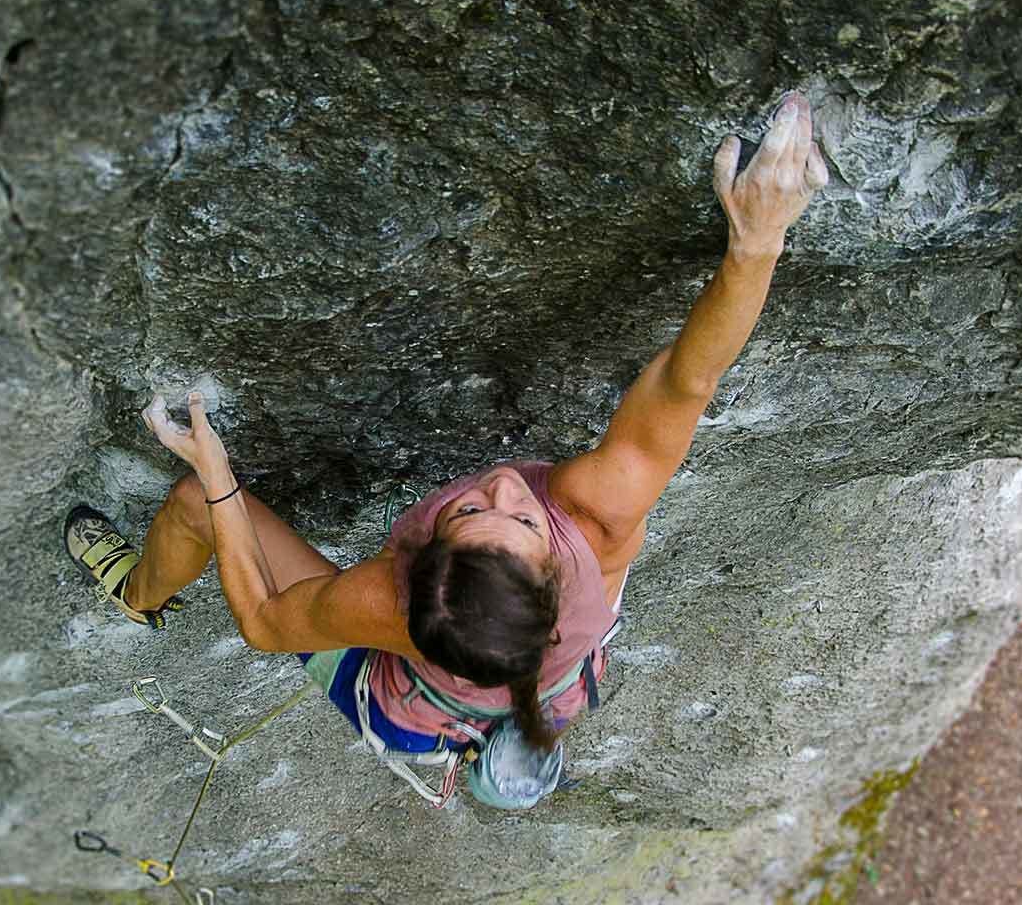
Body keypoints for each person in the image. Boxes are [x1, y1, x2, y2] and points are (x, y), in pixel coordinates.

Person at [66, 92, 828, 803]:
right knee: (515, 660)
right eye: (516, 519)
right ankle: (503, 733)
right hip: (550, 680)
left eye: (473, 513)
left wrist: (218, 478)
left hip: (415, 709)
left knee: (191, 505)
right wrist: (758, 242)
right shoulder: (598, 518)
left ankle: (139, 598)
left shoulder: (389, 603)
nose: (503, 487)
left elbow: (267, 622)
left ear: (414, 561)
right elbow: (686, 383)